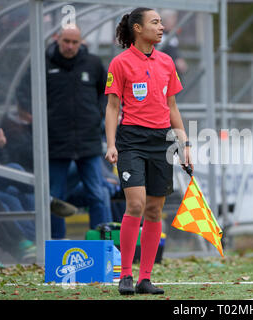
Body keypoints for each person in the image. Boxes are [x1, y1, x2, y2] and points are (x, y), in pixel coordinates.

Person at [105, 7, 192, 295]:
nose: (161, 26)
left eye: (160, 22)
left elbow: (173, 108)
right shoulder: (120, 63)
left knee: (155, 209)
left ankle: (145, 278)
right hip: (131, 140)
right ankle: (125, 275)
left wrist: (184, 145)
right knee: (136, 205)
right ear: (138, 29)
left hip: (161, 142)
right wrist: (111, 144)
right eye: (154, 22)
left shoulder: (167, 62)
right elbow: (113, 107)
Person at [17, 24, 110, 239]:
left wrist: (100, 114)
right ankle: (56, 244)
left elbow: (107, 93)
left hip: (88, 142)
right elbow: (23, 93)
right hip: (56, 143)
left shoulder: (93, 63)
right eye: (66, 41)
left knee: (97, 194)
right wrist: (35, 118)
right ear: (57, 39)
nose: (70, 46)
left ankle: (101, 245)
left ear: (81, 42)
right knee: (54, 198)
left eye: (74, 42)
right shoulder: (42, 63)